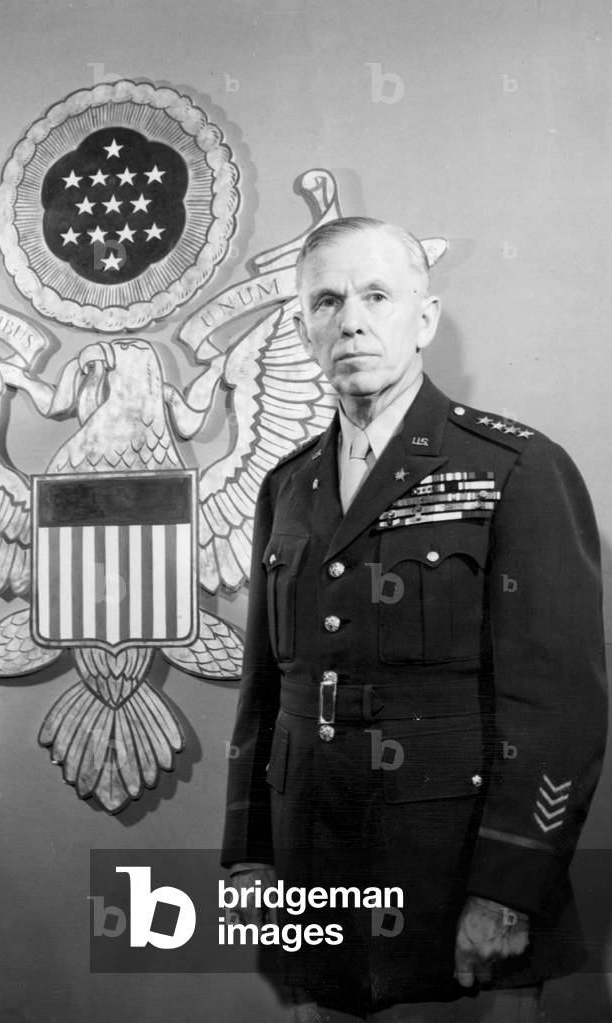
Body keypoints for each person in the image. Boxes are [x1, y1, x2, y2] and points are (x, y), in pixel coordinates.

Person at [221, 217, 607, 1021]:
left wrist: (508, 887)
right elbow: (266, 686)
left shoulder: (515, 469)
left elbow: (560, 705)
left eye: (376, 295)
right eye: (327, 301)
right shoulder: (286, 488)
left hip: (451, 878)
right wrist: (249, 853)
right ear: (302, 328)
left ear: (423, 318)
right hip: (313, 869)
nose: (351, 320)